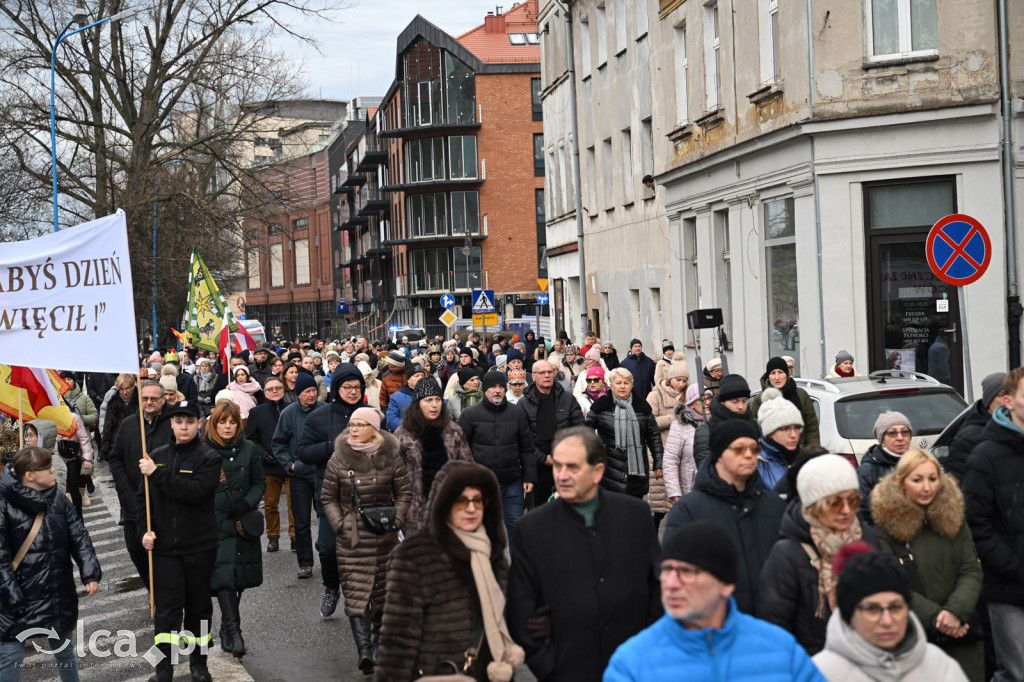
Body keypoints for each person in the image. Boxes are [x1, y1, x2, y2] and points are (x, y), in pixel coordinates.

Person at [507, 426, 661, 682]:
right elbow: (521, 609)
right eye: (557, 466)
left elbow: (658, 589)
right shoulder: (532, 528)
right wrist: (550, 667)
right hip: (568, 670)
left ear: (597, 471)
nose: (562, 476)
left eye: (573, 467)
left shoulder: (635, 515)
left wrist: (649, 653)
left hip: (635, 668)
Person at [604, 521, 824, 682]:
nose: (670, 584)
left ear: (726, 584)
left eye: (686, 572)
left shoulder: (781, 651)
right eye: (667, 570)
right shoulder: (632, 663)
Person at [376, 460, 524, 681]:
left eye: (477, 500)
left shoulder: (492, 553)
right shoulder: (414, 556)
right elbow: (397, 643)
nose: (471, 508)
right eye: (461, 501)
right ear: (443, 504)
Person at [871, 449, 983, 680]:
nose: (926, 487)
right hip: (913, 638)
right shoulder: (886, 527)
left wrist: (955, 611)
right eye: (917, 480)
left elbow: (970, 570)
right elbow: (893, 585)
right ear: (901, 482)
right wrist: (938, 618)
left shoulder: (954, 518)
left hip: (962, 634)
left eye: (933, 479)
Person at [321, 407, 412, 676]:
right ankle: (364, 651)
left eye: (361, 425)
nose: (355, 430)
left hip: (385, 535)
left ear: (374, 428)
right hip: (352, 538)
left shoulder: (392, 456)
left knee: (383, 593)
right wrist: (340, 524)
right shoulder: (338, 458)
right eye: (352, 424)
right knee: (357, 594)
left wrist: (397, 520)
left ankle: (379, 646)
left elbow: (404, 492)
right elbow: (328, 497)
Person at [663, 419, 786, 614]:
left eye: (753, 449)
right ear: (719, 454)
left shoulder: (774, 505)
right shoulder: (689, 511)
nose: (748, 455)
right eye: (739, 449)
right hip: (716, 628)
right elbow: (677, 582)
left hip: (773, 626)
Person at [0, 447, 101, 682]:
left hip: (57, 590)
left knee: (65, 652)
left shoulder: (57, 497)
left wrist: (90, 572)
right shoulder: (4, 505)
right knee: (10, 656)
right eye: (46, 467)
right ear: (29, 475)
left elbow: (79, 536)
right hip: (16, 599)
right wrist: (12, 597)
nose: (53, 469)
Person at [138, 400, 221, 682]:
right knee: (167, 615)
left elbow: (194, 492)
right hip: (165, 551)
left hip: (199, 547)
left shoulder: (209, 457)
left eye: (189, 421)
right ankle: (164, 668)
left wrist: (157, 474)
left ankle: (199, 664)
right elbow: (142, 502)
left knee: (198, 609)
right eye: (178, 421)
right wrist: (144, 532)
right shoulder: (156, 456)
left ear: (199, 424)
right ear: (171, 424)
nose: (183, 426)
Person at [758, 454, 875, 655]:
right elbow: (775, 631)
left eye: (852, 500)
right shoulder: (787, 554)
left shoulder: (867, 537)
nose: (847, 510)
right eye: (835, 502)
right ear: (814, 505)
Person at [812, 543, 969, 681]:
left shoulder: (938, 665)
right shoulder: (819, 673)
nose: (887, 621)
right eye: (872, 609)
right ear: (849, 613)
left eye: (895, 607)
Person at [964, 367, 1024, 682]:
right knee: (1016, 671)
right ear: (1008, 402)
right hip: (1008, 587)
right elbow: (976, 524)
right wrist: (1013, 566)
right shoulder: (985, 456)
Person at [296, 365, 364, 617]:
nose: (352, 392)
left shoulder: (370, 414)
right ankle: (331, 587)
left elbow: (388, 447)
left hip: (365, 495)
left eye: (357, 387)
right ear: (337, 388)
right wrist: (330, 447)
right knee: (327, 547)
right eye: (347, 387)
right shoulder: (319, 417)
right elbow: (302, 451)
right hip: (330, 495)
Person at [206, 401, 265, 659]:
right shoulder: (203, 451)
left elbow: (259, 482)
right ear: (214, 424)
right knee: (224, 578)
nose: (228, 426)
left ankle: (225, 628)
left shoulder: (250, 449)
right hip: (214, 524)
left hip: (241, 523)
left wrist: (247, 502)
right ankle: (235, 632)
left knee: (238, 577)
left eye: (232, 422)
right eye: (222, 422)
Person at [108, 380, 174, 583]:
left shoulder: (174, 422)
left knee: (165, 550)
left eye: (154, 398)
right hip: (133, 502)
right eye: (145, 398)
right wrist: (125, 488)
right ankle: (150, 586)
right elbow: (115, 458)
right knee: (136, 549)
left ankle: (164, 591)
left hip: (166, 501)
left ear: (163, 400)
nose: (149, 402)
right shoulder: (128, 424)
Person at [458, 371, 535, 542]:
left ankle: (518, 568)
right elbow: (461, 450)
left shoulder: (517, 413)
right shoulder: (470, 414)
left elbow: (527, 447)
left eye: (501, 386)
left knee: (516, 526)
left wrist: (529, 477)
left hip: (512, 482)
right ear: (485, 389)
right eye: (493, 387)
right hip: (480, 484)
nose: (497, 390)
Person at [394, 379, 474, 536]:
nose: (434, 405)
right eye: (428, 400)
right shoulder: (403, 434)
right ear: (418, 404)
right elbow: (393, 475)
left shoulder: (454, 431)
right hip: (414, 513)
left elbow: (468, 468)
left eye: (438, 399)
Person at [272, 372, 323, 580]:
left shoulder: (324, 410)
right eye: (307, 392)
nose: (311, 395)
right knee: (301, 523)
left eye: (314, 391)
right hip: (299, 475)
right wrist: (290, 465)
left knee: (326, 517)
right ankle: (305, 563)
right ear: (298, 393)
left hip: (323, 474)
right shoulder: (288, 413)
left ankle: (327, 551)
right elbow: (278, 444)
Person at [585, 367, 663, 501]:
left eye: (626, 383)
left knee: (633, 515)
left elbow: (654, 436)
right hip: (609, 471)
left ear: (632, 385)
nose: (622, 386)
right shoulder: (601, 406)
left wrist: (658, 463)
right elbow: (585, 434)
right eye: (618, 383)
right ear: (611, 385)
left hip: (636, 473)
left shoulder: (642, 407)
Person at [518, 360, 585, 505]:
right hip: (537, 468)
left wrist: (563, 456)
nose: (547, 375)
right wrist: (542, 458)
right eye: (542, 372)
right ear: (533, 377)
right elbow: (523, 438)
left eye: (550, 372)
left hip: (566, 465)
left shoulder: (568, 399)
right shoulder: (524, 404)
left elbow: (580, 430)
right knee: (539, 514)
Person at [245, 376, 293, 553]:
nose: (275, 391)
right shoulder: (256, 412)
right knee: (271, 505)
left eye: (278, 388)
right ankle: (273, 537)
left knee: (293, 503)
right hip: (269, 466)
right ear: (265, 392)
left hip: (290, 465)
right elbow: (251, 439)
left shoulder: (291, 409)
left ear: (283, 390)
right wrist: (263, 454)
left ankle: (295, 536)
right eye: (270, 389)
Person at [647, 362, 688, 527]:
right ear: (670, 378)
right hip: (660, 452)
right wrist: (675, 418)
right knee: (660, 506)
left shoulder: (687, 394)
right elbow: (649, 423)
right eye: (678, 380)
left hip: (683, 452)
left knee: (680, 503)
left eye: (684, 380)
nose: (682, 384)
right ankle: (652, 538)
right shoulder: (655, 395)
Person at [945, 372, 1006, 484]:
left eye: (1013, 394)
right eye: (1002, 394)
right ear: (989, 399)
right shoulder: (968, 437)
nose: (1008, 399)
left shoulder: (1015, 431)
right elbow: (957, 483)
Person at [858, 412, 914, 525]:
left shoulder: (919, 464)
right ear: (882, 440)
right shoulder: (867, 471)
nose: (900, 438)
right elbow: (861, 514)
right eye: (892, 433)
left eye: (904, 432)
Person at [692, 373, 759, 468]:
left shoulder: (754, 426)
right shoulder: (707, 430)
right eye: (735, 402)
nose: (740, 406)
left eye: (744, 401)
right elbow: (706, 468)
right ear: (723, 402)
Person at [751, 356, 821, 446]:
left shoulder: (801, 395)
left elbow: (811, 427)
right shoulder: (759, 400)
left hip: (799, 453)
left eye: (780, 372)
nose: (777, 377)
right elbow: (755, 431)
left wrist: (812, 452)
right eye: (773, 373)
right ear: (768, 376)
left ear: (787, 373)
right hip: (772, 454)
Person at [754, 387, 805, 489]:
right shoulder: (756, 464)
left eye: (797, 428)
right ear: (770, 432)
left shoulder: (806, 458)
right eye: (785, 429)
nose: (793, 434)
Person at [663, 385, 706, 503]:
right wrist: (674, 492)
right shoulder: (679, 426)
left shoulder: (717, 422)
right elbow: (670, 459)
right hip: (690, 492)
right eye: (702, 399)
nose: (706, 402)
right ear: (691, 403)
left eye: (709, 399)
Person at [99, 373, 137, 462]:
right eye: (121, 389)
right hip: (117, 442)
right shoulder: (112, 401)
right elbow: (107, 422)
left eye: (127, 388)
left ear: (133, 386)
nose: (124, 392)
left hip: (136, 443)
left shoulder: (141, 399)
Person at [23, 420, 68, 494]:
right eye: (26, 435)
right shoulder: (27, 459)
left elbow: (58, 491)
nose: (26, 439)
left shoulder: (55, 461)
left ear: (42, 438)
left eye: (31, 436)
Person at [385, 366, 423, 431]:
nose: (421, 378)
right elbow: (391, 421)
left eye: (422, 375)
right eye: (417, 376)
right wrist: (413, 425)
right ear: (408, 379)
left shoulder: (430, 395)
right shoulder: (396, 397)